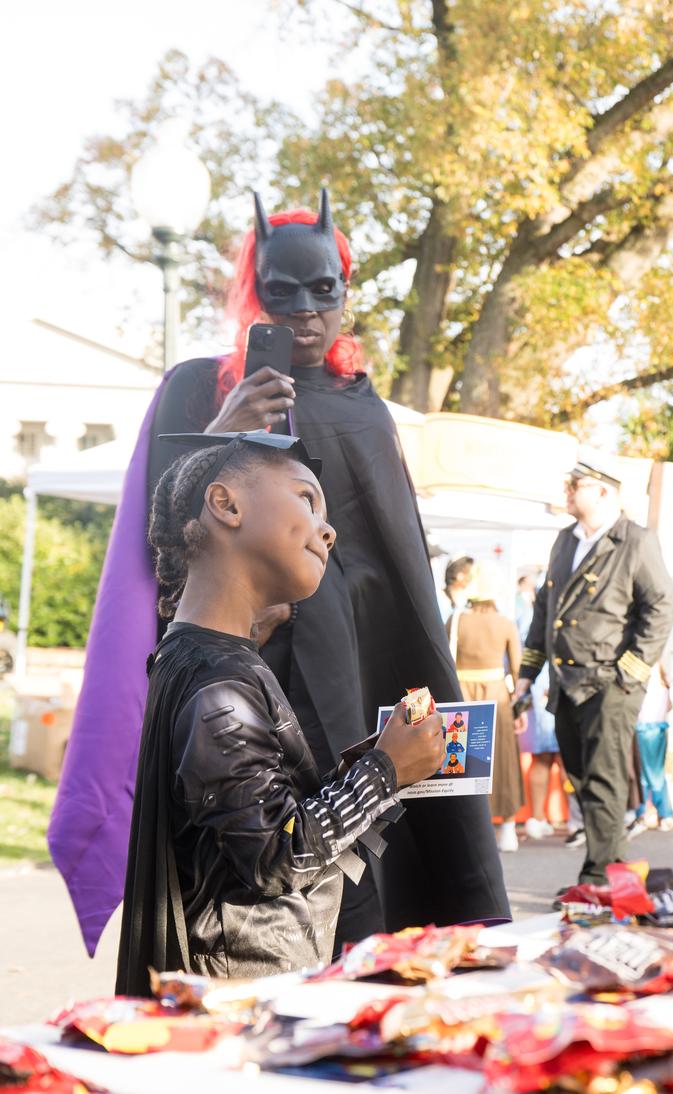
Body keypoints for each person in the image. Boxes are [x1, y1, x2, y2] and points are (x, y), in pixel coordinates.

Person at [50, 191, 508, 958]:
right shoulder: (197, 387)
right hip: (252, 680)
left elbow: (400, 584)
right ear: (251, 293)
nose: (304, 312)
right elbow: (160, 541)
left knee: (374, 901)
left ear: (347, 290)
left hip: (364, 677)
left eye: (324, 289)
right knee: (255, 891)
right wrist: (220, 433)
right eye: (280, 291)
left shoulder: (368, 411)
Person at [116, 431, 447, 993]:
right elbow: (275, 856)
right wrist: (384, 771)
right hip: (244, 994)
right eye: (305, 498)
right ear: (226, 505)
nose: (328, 527)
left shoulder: (199, 656)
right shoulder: (220, 683)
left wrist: (386, 762)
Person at [514, 456, 673, 889]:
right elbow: (546, 611)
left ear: (604, 491)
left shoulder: (634, 540)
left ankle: (600, 878)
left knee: (603, 781)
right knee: (582, 778)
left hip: (610, 683)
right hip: (567, 683)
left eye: (576, 484)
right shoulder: (566, 540)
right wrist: (527, 677)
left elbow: (660, 607)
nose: (567, 490)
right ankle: (610, 868)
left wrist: (629, 673)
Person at [449, 561, 526, 852]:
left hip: (463, 696)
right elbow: (518, 670)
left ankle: (469, 825)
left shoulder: (457, 620)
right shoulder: (506, 623)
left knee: (464, 760)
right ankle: (507, 827)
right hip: (497, 696)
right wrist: (521, 710)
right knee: (503, 758)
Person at [514, 572, 559, 841]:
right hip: (546, 692)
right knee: (546, 758)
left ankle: (541, 817)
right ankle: (540, 816)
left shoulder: (535, 618)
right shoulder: (534, 620)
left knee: (550, 758)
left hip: (546, 690)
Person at [635, 658, 673, 830]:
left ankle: (643, 812)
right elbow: (669, 706)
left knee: (645, 775)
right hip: (660, 729)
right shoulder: (663, 683)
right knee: (657, 772)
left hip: (644, 729)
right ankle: (663, 814)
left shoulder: (643, 682)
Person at [441, 556, 475, 624]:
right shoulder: (441, 598)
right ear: (457, 574)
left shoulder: (468, 599)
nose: (471, 578)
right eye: (468, 573)